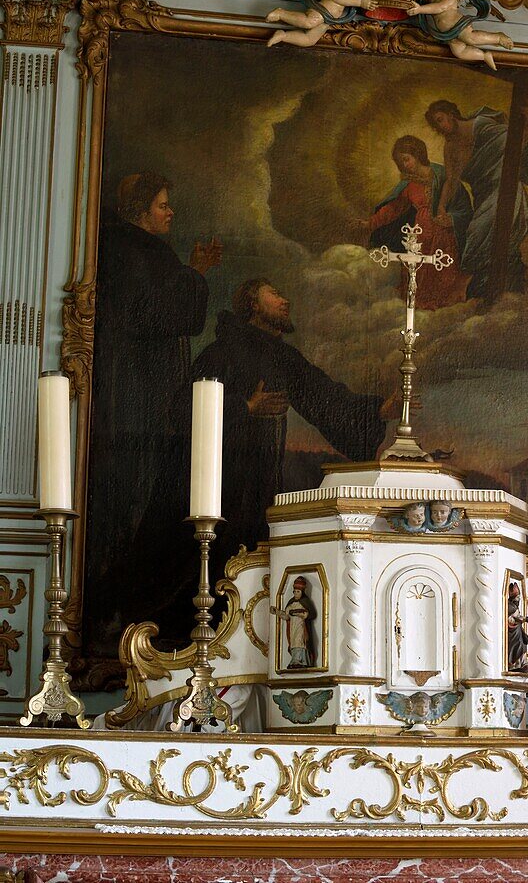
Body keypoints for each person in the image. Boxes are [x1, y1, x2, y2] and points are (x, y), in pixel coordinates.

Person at [85, 172, 221, 654]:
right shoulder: (134, 251)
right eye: (163, 205)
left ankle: (117, 612)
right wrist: (196, 274)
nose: (170, 213)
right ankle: (108, 615)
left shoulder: (135, 251)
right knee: (129, 508)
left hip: (141, 401)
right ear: (141, 211)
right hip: (134, 403)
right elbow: (164, 315)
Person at [191, 279, 390, 564]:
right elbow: (185, 410)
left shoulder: (282, 356)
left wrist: (378, 410)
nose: (285, 301)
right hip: (219, 480)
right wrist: (245, 407)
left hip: (262, 480)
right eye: (275, 294)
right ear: (253, 305)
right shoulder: (221, 352)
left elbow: (323, 396)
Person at [425, 99, 528, 298]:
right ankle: (485, 289)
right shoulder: (450, 147)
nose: (440, 127)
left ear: (451, 114)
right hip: (483, 194)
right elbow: (451, 180)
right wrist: (441, 207)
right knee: (480, 235)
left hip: (504, 187)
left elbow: (514, 141)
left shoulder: (481, 124)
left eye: (441, 120)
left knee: (481, 231)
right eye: (436, 125)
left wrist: (524, 125)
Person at [365, 135, 472, 309]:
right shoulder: (409, 184)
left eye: (407, 159)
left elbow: (464, 209)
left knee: (442, 277)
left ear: (418, 155)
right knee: (417, 279)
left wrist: (451, 219)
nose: (405, 165)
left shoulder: (444, 177)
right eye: (401, 162)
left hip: (443, 238)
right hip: (420, 236)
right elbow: (393, 209)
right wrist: (369, 223)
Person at [408, 0, 513, 69]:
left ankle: (498, 37)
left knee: (471, 39)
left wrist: (420, 9)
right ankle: (484, 56)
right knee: (459, 52)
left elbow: (441, 7)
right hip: (448, 34)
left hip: (458, 26)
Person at [271, 576, 317, 669]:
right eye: (295, 592)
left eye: (298, 592)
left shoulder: (305, 602)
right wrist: (277, 612)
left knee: (300, 642)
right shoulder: (291, 603)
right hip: (292, 627)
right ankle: (295, 660)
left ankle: (301, 661)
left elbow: (312, 614)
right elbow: (286, 616)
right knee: (294, 643)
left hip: (301, 627)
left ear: (302, 592)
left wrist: (304, 614)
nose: (296, 594)